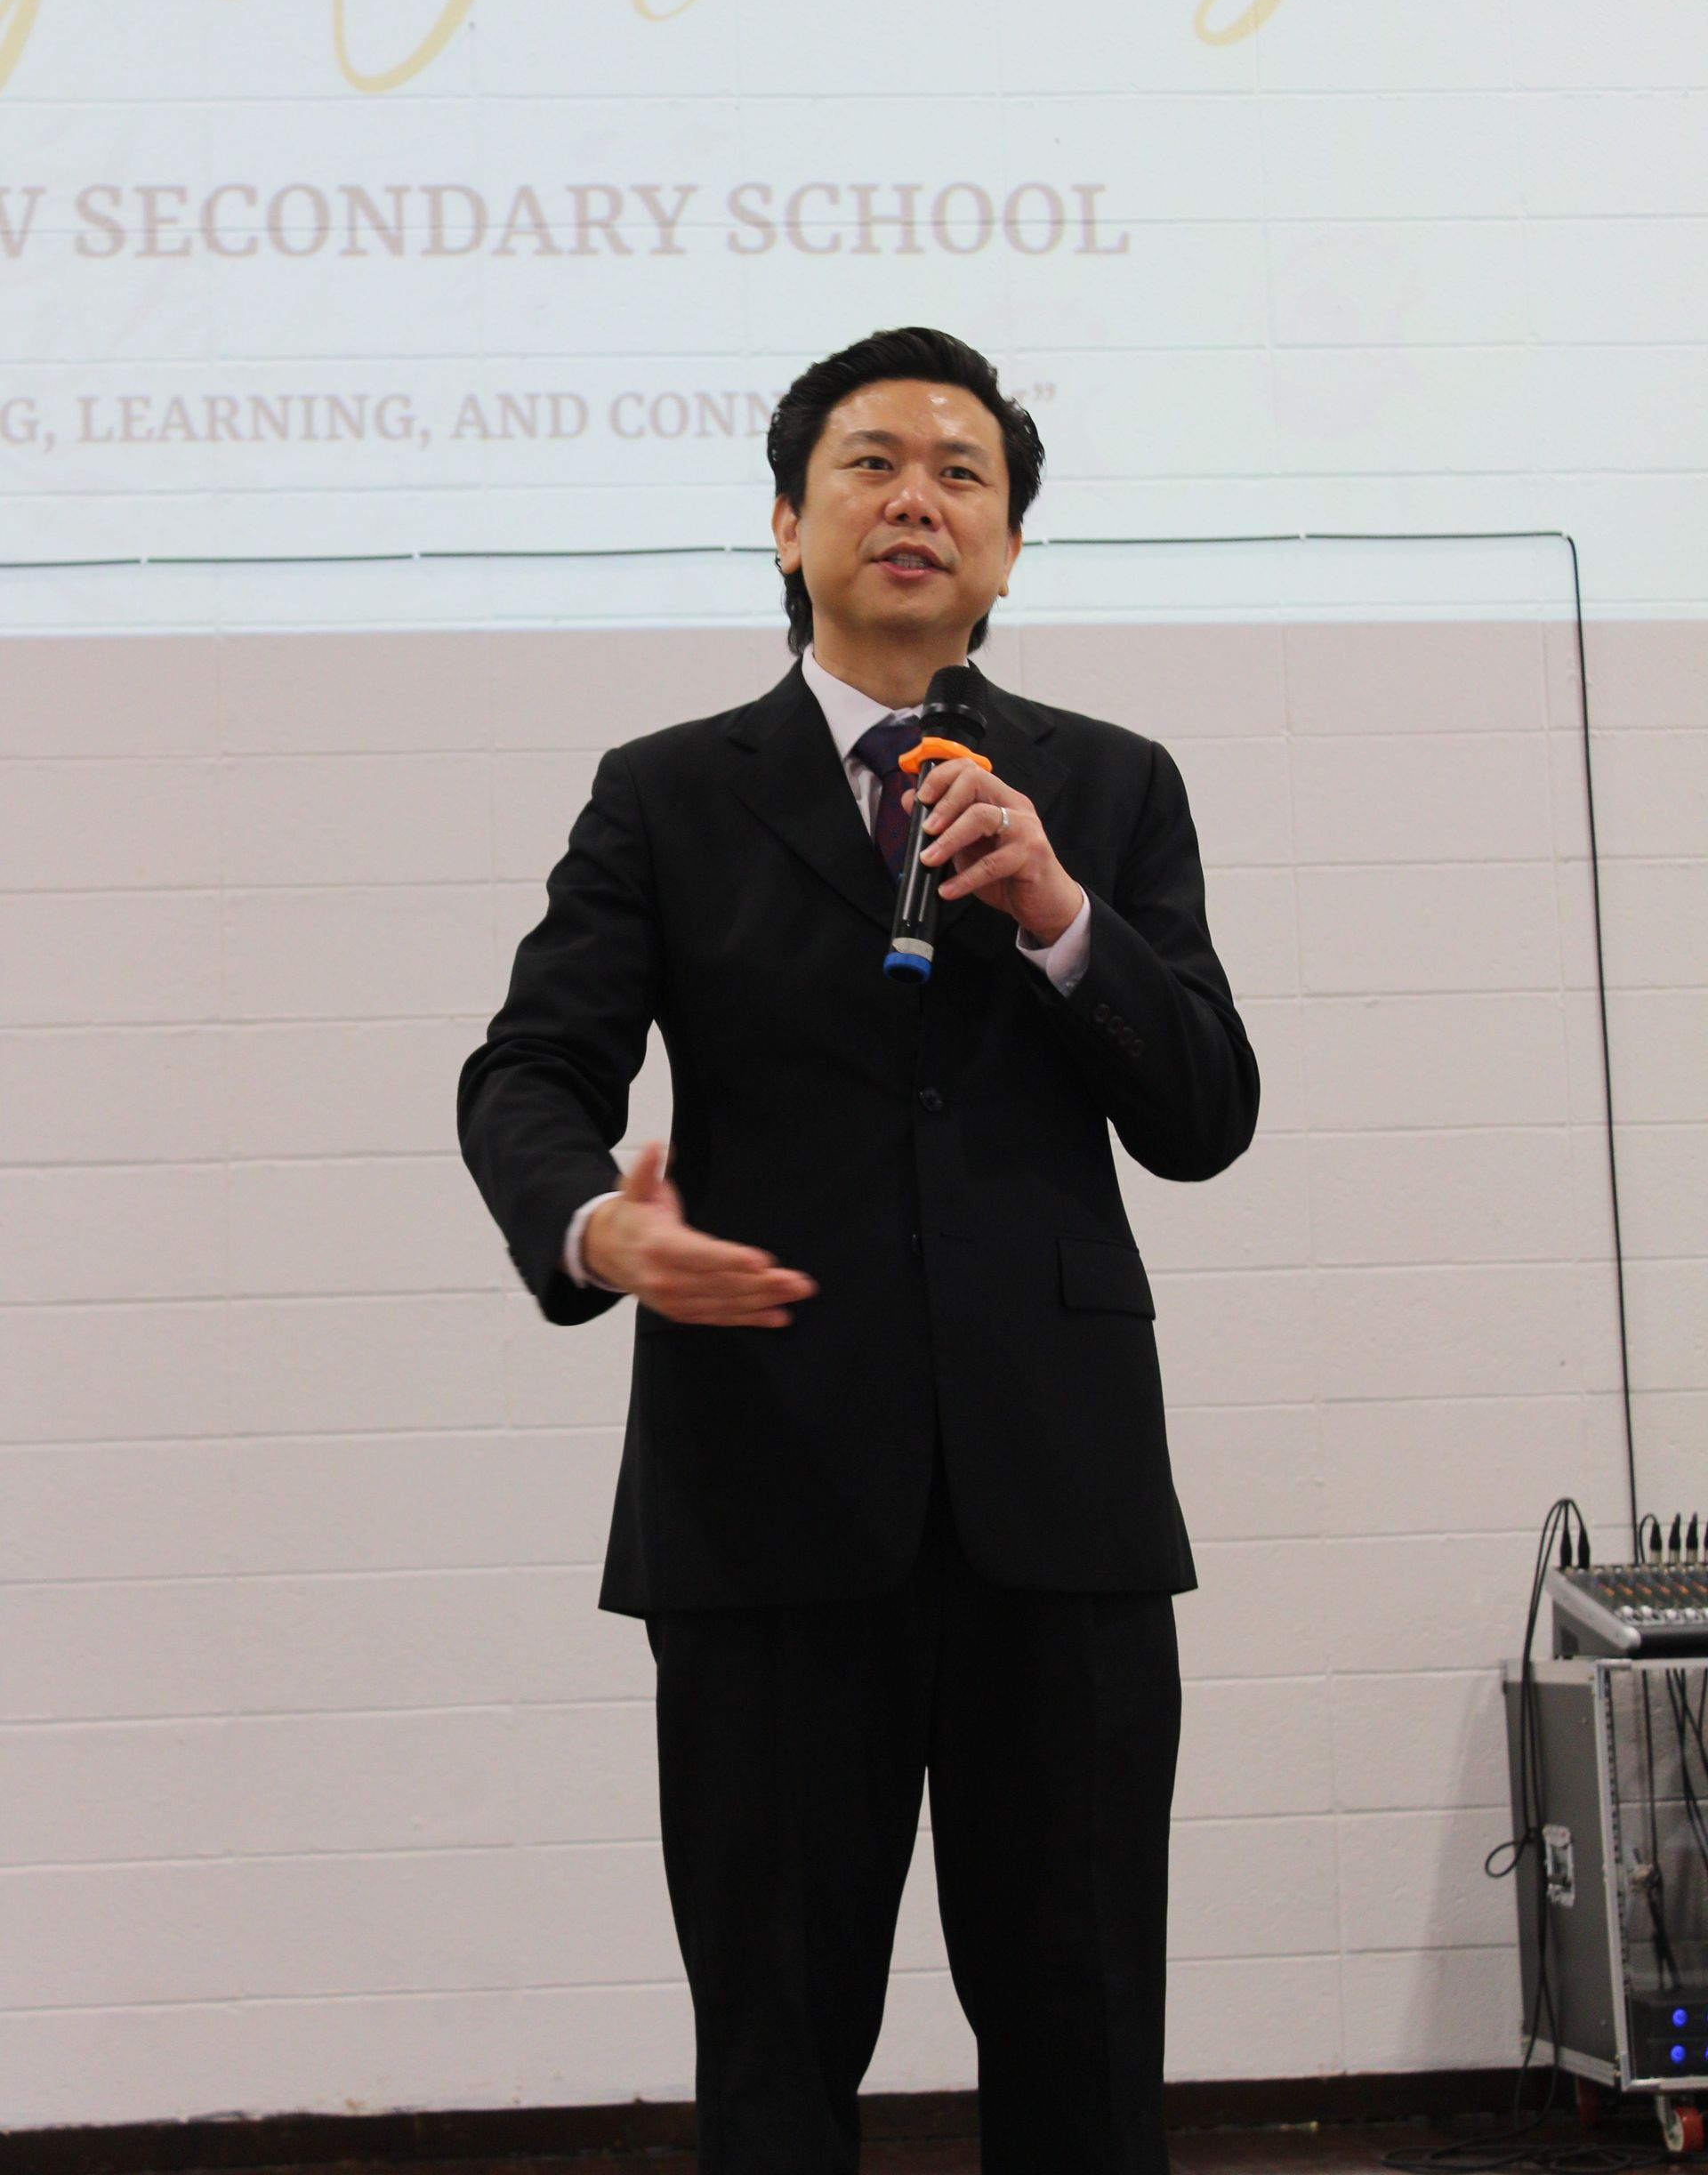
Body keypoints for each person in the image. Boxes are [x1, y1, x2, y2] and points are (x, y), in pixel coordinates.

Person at [456, 323, 1260, 2175]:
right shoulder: (667, 791)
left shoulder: (1109, 792)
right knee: (777, 2051)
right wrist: (598, 1228)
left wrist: (1063, 915)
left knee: (1085, 2041)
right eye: (872, 463)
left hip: (1057, 1514)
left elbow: (1205, 1112)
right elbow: (532, 1067)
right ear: (786, 517)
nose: (917, 498)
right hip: (765, 1498)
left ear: (1010, 547)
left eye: (962, 472)